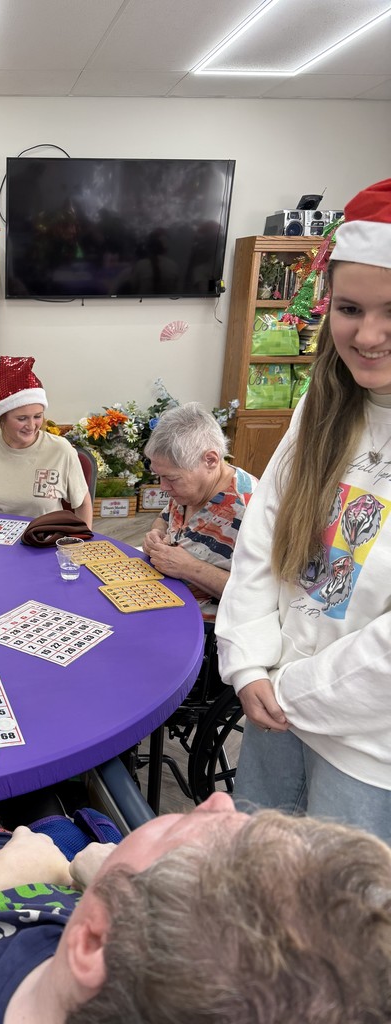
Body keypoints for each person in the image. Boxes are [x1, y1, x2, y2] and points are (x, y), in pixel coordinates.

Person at [0, 793, 391, 1024]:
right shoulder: (136, 968)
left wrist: (0, 873)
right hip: (25, 862)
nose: (221, 799)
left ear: (93, 941)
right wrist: (105, 878)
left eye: (192, 829)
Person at [215, 178, 391, 843]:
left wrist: (297, 689)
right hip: (276, 707)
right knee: (260, 880)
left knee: (339, 925)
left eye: (390, 311)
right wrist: (250, 663)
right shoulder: (322, 407)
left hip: (368, 749)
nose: (367, 335)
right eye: (349, 308)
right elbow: (263, 538)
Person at [141, 401, 256, 622]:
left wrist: (189, 568)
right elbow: (164, 519)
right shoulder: (190, 489)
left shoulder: (250, 508)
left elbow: (257, 596)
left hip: (203, 631)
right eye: (159, 476)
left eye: (171, 478)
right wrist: (156, 534)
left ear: (210, 460)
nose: (163, 487)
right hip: (159, 600)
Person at [0, 356, 93, 527]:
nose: (31, 426)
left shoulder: (61, 450)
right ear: (2, 418)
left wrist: (80, 547)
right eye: (22, 418)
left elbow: (83, 504)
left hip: (43, 540)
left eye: (38, 416)